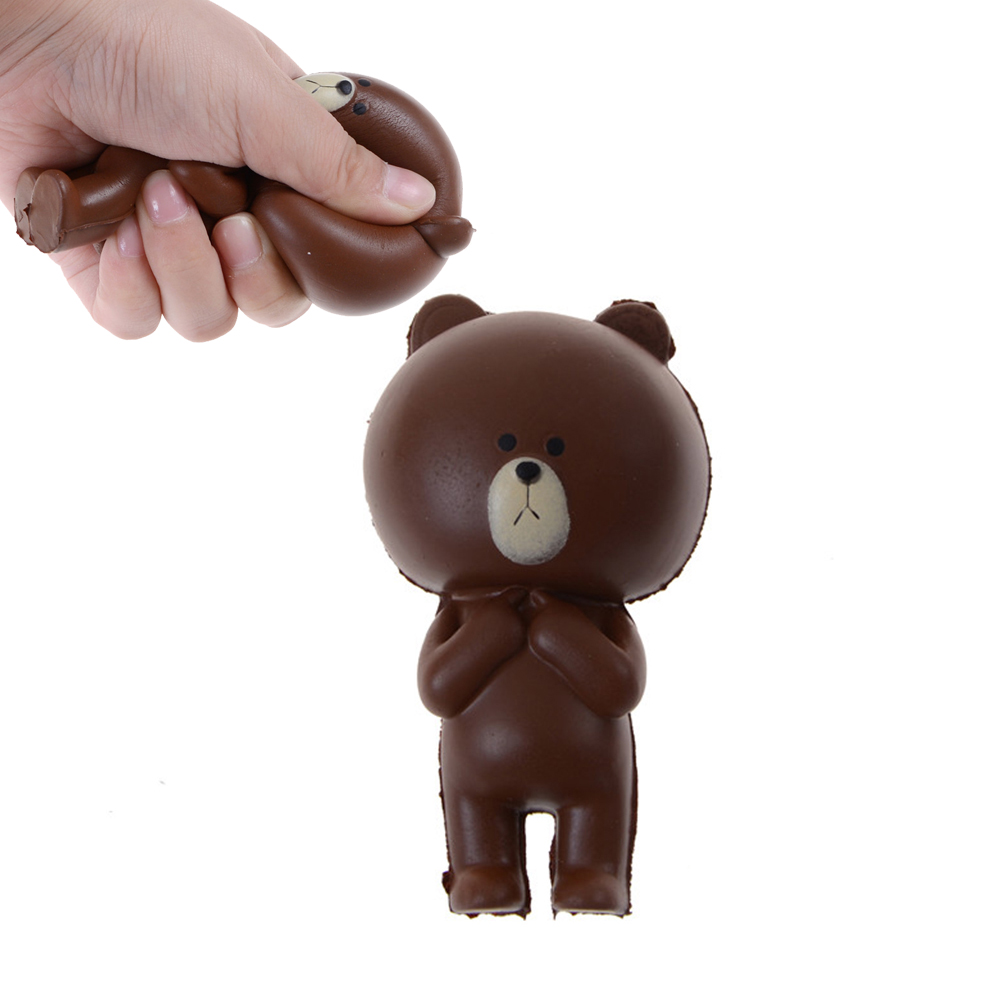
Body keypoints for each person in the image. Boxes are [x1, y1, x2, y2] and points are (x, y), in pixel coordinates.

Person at [0, 0, 437, 340]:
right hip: (141, 154)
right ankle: (67, 207)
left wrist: (44, 32)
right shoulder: (250, 165)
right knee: (123, 187)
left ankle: (67, 211)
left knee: (123, 193)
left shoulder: (255, 188)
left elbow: (221, 192)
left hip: (139, 165)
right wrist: (59, 25)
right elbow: (214, 183)